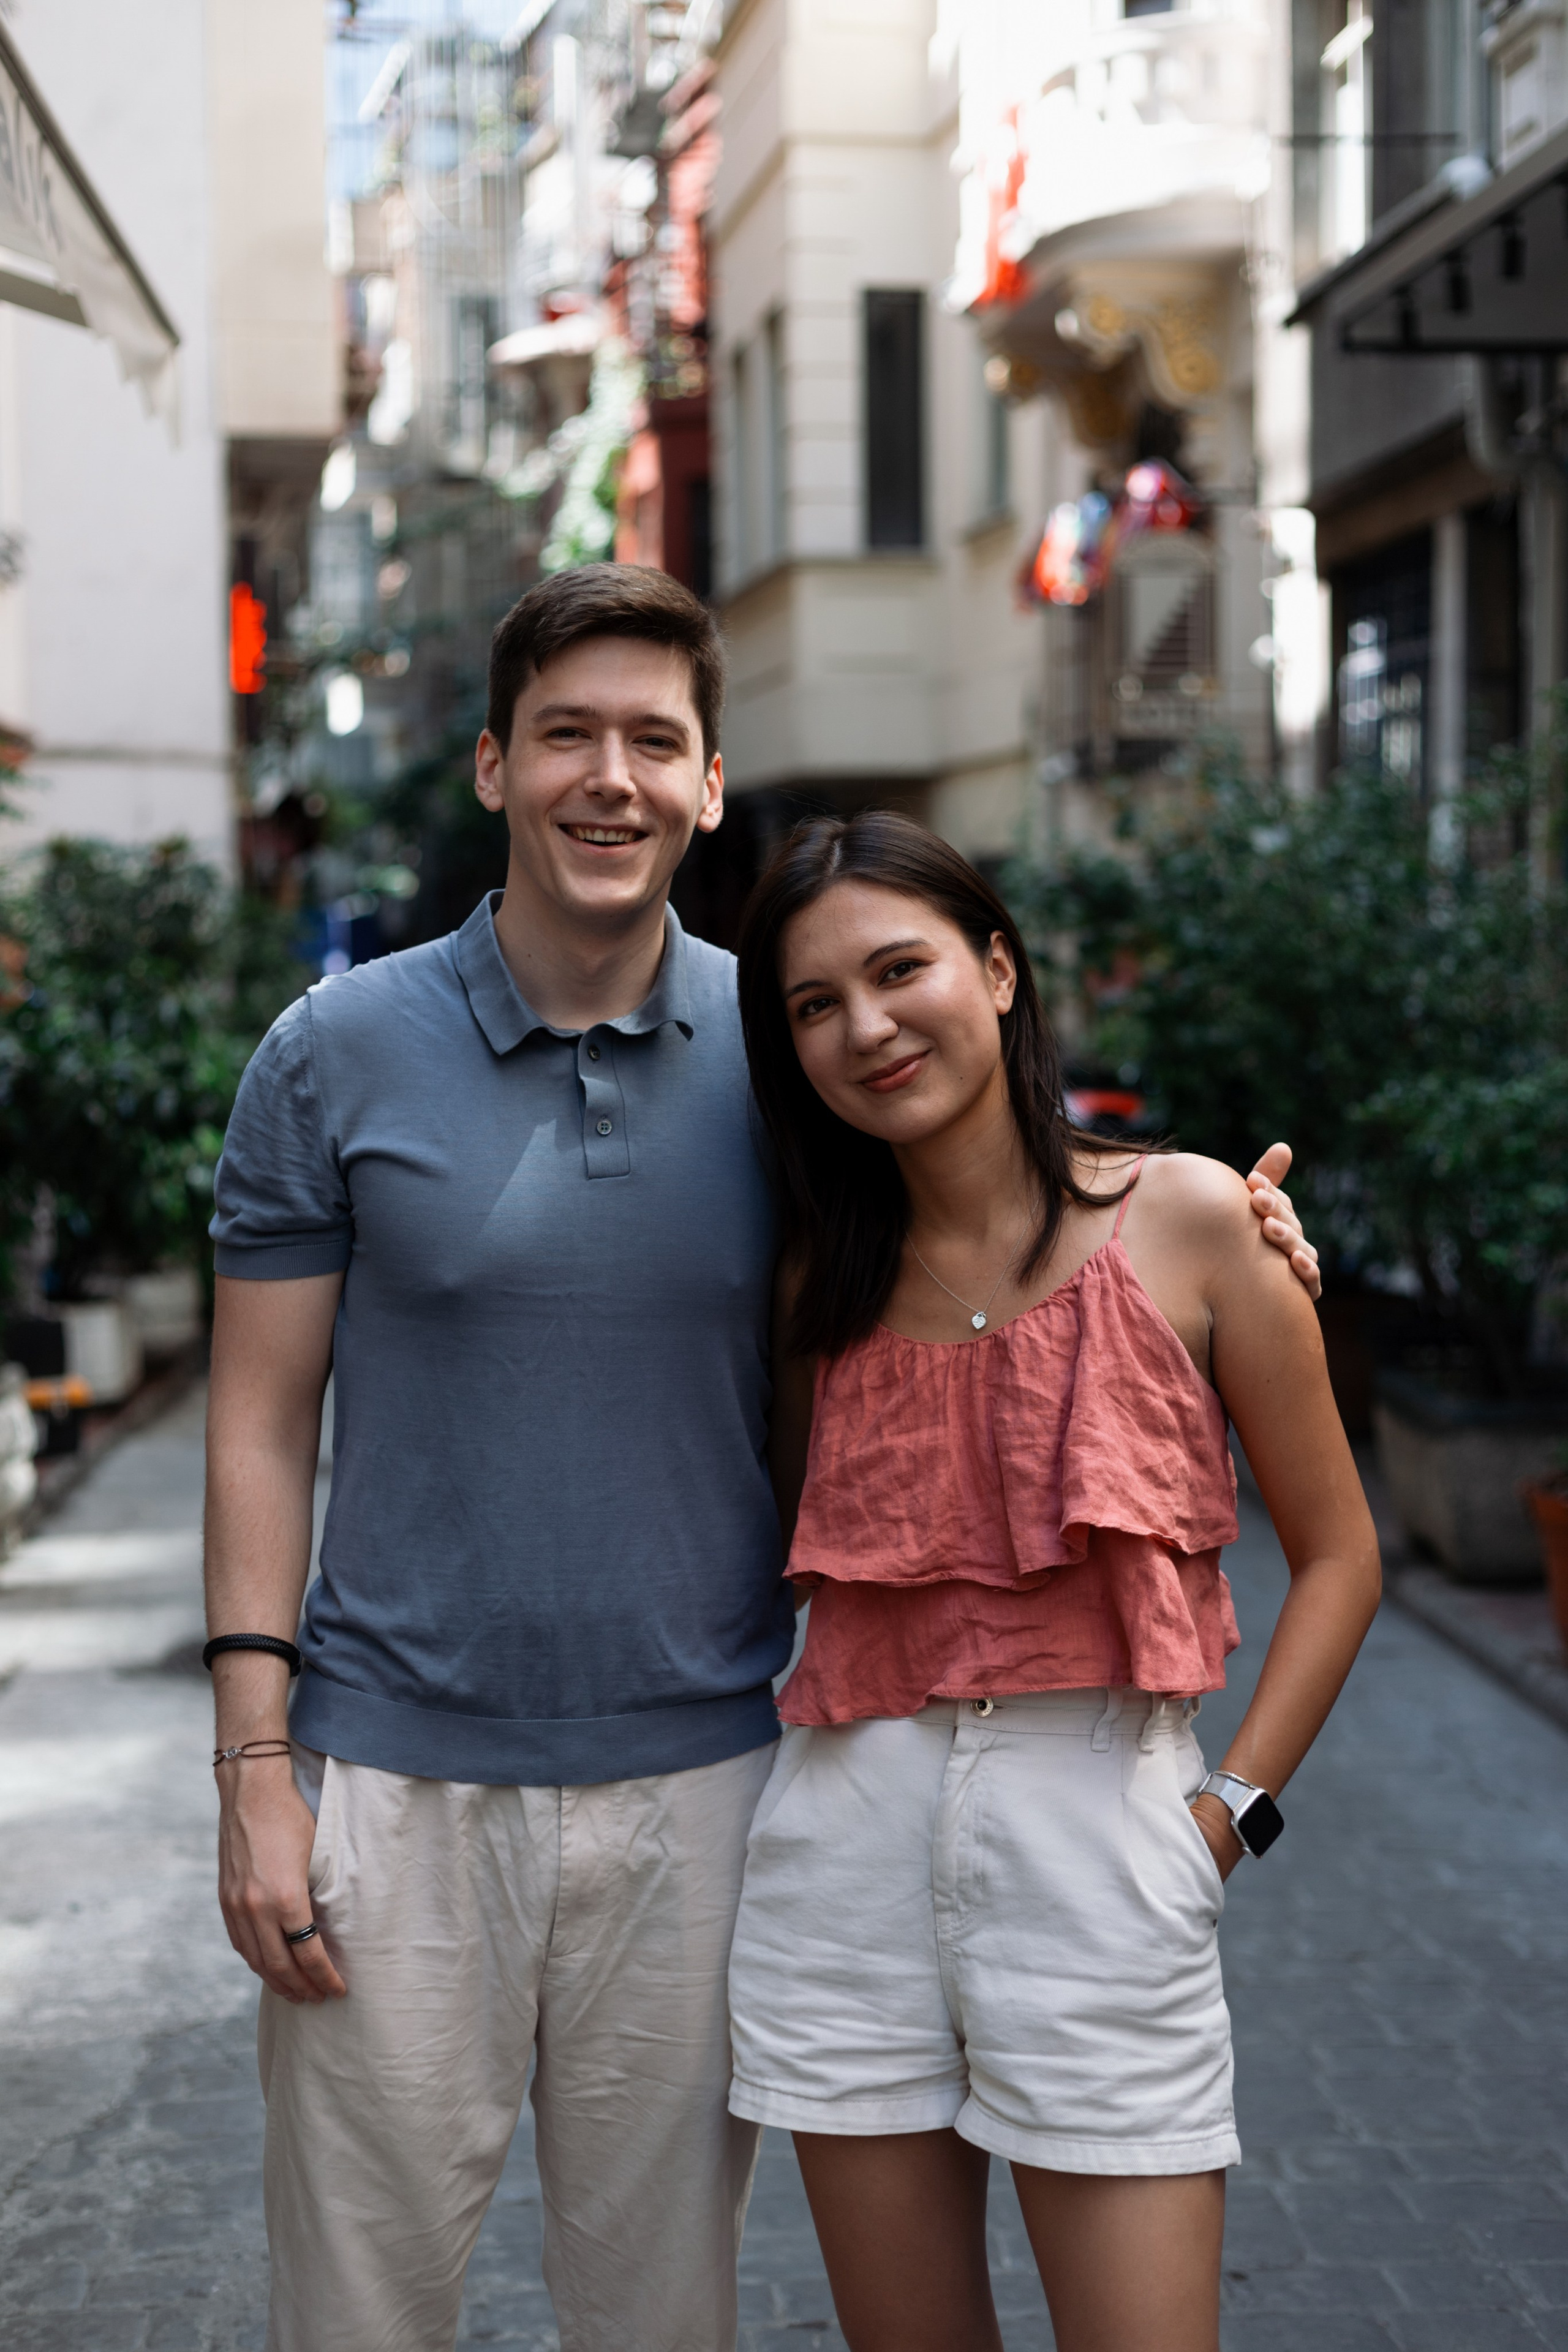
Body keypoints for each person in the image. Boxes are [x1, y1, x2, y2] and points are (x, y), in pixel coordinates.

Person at [203, 565, 1324, 2352]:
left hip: (715, 1784)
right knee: (355, 2315)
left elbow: (998, 1199)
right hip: (390, 1787)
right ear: (492, 765)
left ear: (713, 783)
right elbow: (258, 1418)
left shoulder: (789, 1047)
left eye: (657, 740)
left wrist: (1232, 1241)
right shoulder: (329, 1053)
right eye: (566, 733)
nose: (610, 777)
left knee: (664, 2319)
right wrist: (255, 1761)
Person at [726, 812, 1381, 2352]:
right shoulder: (810, 1279)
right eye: (813, 1007)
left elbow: (1344, 1559)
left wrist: (1223, 1818)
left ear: (999, 970)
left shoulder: (1195, 1221)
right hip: (843, 1843)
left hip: (1106, 1834)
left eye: (900, 971)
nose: (866, 1028)